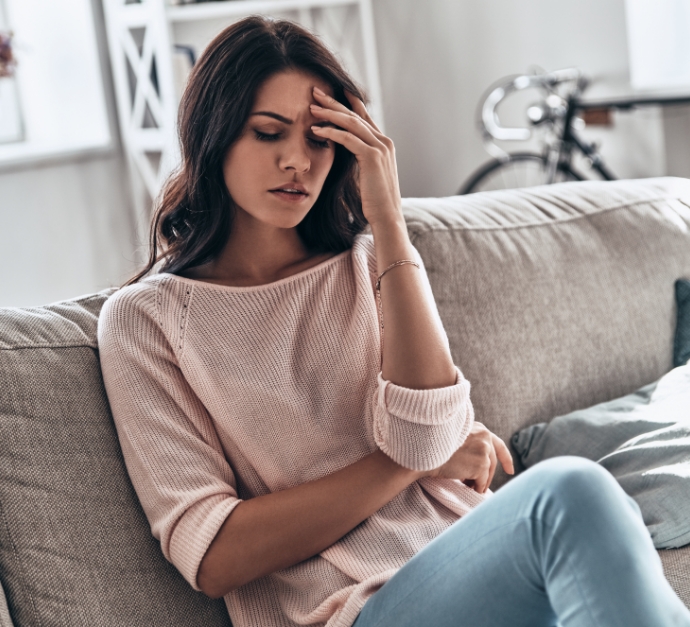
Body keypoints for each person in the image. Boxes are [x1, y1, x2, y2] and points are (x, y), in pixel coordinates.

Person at [97, 15, 690, 627]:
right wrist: (406, 465)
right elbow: (215, 553)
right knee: (571, 492)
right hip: (361, 611)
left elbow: (431, 433)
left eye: (321, 138)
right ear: (213, 136)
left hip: (472, 560)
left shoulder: (371, 263)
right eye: (268, 133)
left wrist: (387, 219)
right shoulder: (147, 322)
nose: (298, 160)